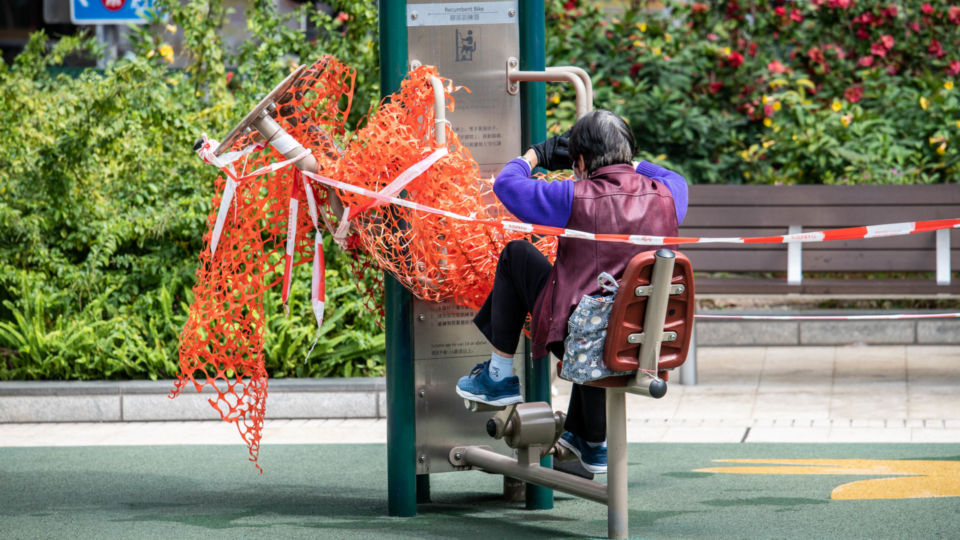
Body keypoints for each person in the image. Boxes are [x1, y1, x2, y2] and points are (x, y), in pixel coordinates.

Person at [455, 109, 688, 474]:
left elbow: (506, 185)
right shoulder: (670, 195)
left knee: (521, 258)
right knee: (605, 308)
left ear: (578, 162)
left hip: (585, 337)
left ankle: (499, 376)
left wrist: (537, 155)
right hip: (642, 342)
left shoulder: (574, 196)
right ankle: (591, 441)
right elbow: (671, 175)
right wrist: (626, 159)